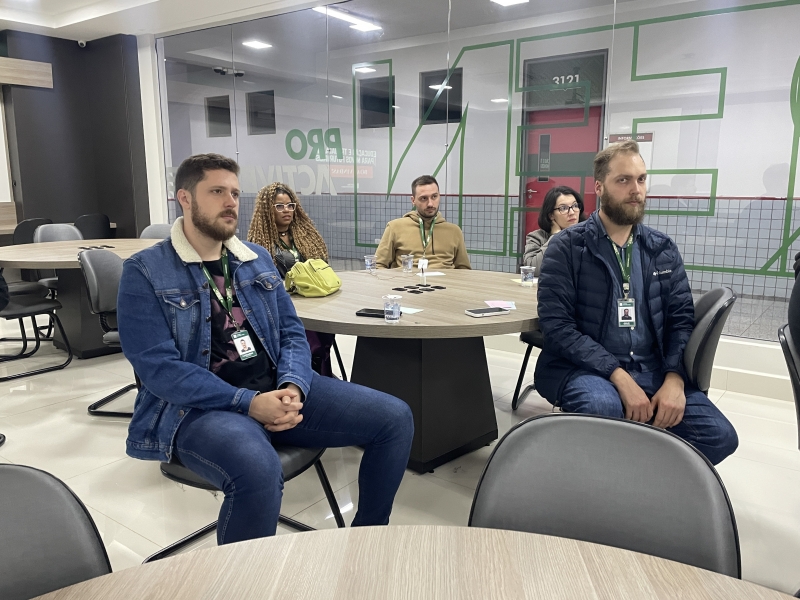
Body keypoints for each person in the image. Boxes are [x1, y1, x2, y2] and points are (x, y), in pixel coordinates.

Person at [117, 153, 413, 545]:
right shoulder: (145, 271)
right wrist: (249, 403)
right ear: (184, 198)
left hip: (276, 386)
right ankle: (247, 574)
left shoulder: (255, 258)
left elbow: (292, 333)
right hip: (200, 408)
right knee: (257, 470)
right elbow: (159, 370)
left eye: (234, 193)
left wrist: (293, 386)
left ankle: (367, 541)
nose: (230, 202)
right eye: (217, 191)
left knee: (395, 418)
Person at [535, 140, 738, 465]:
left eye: (641, 179)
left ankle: (637, 476)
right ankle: (607, 475)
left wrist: (674, 378)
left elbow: (680, 320)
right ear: (599, 187)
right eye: (623, 180)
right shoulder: (567, 248)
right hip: (584, 369)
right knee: (604, 408)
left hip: (652, 368)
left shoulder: (661, 249)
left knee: (720, 436)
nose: (636, 190)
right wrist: (618, 375)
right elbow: (557, 327)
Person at [248, 182, 337, 377]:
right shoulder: (260, 243)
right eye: (279, 206)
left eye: (290, 205)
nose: (287, 210)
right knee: (307, 341)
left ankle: (321, 375)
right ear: (267, 210)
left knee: (323, 339)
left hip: (316, 303)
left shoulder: (307, 236)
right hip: (286, 308)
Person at [375, 175, 471, 270]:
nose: (430, 204)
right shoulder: (395, 227)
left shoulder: (454, 231)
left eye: (434, 196)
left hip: (445, 280)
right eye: (424, 198)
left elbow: (464, 269)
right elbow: (378, 265)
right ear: (413, 200)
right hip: (407, 279)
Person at [522, 186, 585, 276]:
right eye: (563, 208)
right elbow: (532, 270)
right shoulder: (537, 237)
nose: (572, 212)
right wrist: (556, 237)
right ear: (551, 215)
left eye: (575, 206)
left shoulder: (588, 235)